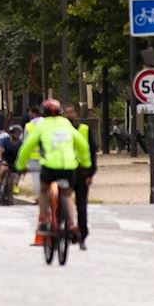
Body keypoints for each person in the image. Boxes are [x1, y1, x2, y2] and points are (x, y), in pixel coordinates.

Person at [13, 97, 91, 242]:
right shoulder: (66, 124)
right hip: (69, 166)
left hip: (50, 166)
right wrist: (86, 164)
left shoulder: (41, 126)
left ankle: (43, 221)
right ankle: (71, 223)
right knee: (67, 195)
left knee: (43, 190)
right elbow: (82, 145)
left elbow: (27, 146)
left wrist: (19, 166)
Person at [63, 103, 97, 247]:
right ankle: (68, 230)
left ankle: (82, 234)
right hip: (65, 170)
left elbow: (92, 151)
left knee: (81, 206)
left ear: (76, 114)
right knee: (64, 202)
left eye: (71, 112)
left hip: (82, 172)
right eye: (66, 113)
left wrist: (91, 173)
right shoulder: (61, 131)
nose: (69, 115)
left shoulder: (84, 129)